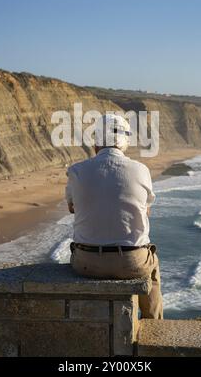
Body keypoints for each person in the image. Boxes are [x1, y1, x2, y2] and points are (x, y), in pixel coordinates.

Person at [66, 114, 163, 319]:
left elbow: (72, 208)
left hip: (86, 261)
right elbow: (146, 210)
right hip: (132, 261)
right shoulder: (141, 170)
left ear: (96, 141)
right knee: (152, 267)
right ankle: (154, 326)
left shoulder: (76, 171)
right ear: (125, 142)